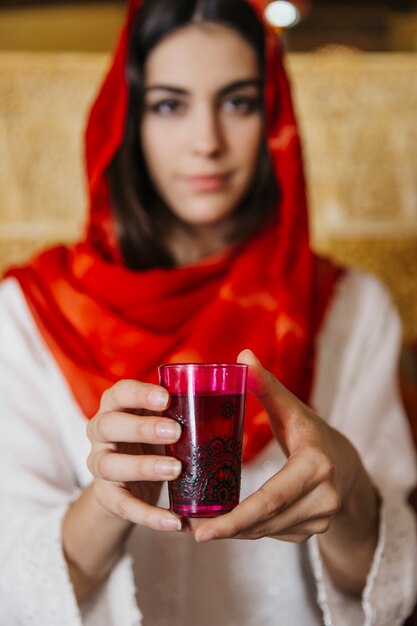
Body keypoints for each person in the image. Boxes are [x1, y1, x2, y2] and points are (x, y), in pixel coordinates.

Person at [0, 0, 416, 624]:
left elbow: (393, 588)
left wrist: (350, 487)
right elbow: (14, 583)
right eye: (170, 104)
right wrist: (107, 500)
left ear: (274, 116)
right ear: (126, 119)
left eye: (238, 102)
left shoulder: (348, 307)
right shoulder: (31, 311)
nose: (207, 142)